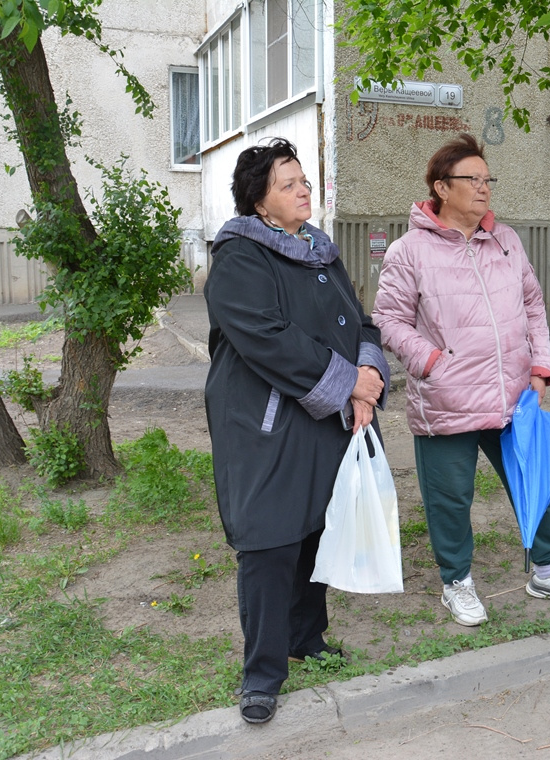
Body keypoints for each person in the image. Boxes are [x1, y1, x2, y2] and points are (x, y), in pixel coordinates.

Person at [373, 132, 550, 627]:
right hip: (447, 399)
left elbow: (534, 305)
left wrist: (541, 366)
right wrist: (432, 362)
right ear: (441, 188)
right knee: (450, 499)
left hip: (513, 395)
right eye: (470, 179)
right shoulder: (409, 250)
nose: (483, 187)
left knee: (536, 483)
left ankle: (548, 571)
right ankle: (457, 582)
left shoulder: (507, 241)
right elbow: (389, 320)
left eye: (486, 178)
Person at [205, 137, 389, 724]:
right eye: (287, 184)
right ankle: (261, 674)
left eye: (303, 180)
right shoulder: (240, 256)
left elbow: (359, 320)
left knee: (316, 530)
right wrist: (348, 383)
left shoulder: (320, 250)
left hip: (327, 420)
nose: (303, 189)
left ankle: (306, 638)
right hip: (269, 424)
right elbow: (265, 337)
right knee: (269, 543)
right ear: (259, 201)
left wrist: (369, 373)